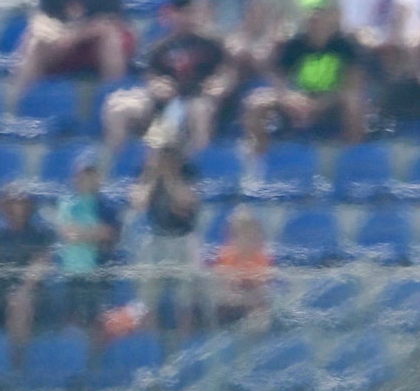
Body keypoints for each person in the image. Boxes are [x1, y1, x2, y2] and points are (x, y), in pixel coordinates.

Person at [245, 0, 368, 153]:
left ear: (329, 17)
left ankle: (353, 153)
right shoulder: (295, 45)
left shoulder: (344, 45)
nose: (315, 20)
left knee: (353, 101)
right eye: (311, 17)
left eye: (319, 15)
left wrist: (323, 102)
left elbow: (353, 84)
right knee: (256, 102)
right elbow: (279, 80)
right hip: (300, 99)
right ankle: (260, 160)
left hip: (332, 101)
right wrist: (288, 97)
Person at [102, 0, 232, 152]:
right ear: (172, 16)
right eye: (181, 13)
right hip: (164, 102)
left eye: (190, 13)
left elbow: (227, 72)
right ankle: (118, 167)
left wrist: (221, 84)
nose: (186, 18)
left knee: (199, 111)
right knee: (117, 108)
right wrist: (156, 85)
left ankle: (197, 166)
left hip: (198, 97)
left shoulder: (212, 43)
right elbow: (151, 76)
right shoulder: (160, 46)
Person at [130, 138, 203, 334]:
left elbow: (185, 202)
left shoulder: (189, 172)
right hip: (155, 237)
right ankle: (150, 340)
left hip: (182, 237)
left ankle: (184, 336)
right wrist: (154, 176)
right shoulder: (146, 173)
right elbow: (139, 202)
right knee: (149, 297)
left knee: (185, 297)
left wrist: (170, 177)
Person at [0, 183, 58, 348]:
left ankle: (15, 363)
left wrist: (24, 289)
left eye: (20, 202)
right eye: (10, 203)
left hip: (32, 294)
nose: (15, 207)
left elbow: (41, 265)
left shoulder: (40, 234)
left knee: (19, 304)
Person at [54, 153, 121, 333]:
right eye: (83, 175)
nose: (87, 179)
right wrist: (93, 232)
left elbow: (109, 234)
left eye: (91, 175)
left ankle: (95, 358)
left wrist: (81, 233)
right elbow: (67, 233)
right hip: (72, 270)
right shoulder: (67, 203)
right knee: (72, 319)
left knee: (98, 321)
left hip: (99, 270)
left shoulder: (108, 206)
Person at [211, 208, 275, 326]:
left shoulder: (261, 258)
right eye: (247, 236)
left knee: (261, 297)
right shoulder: (226, 257)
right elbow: (221, 284)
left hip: (251, 296)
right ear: (232, 240)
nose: (253, 241)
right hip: (230, 300)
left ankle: (257, 327)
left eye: (256, 236)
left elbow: (263, 286)